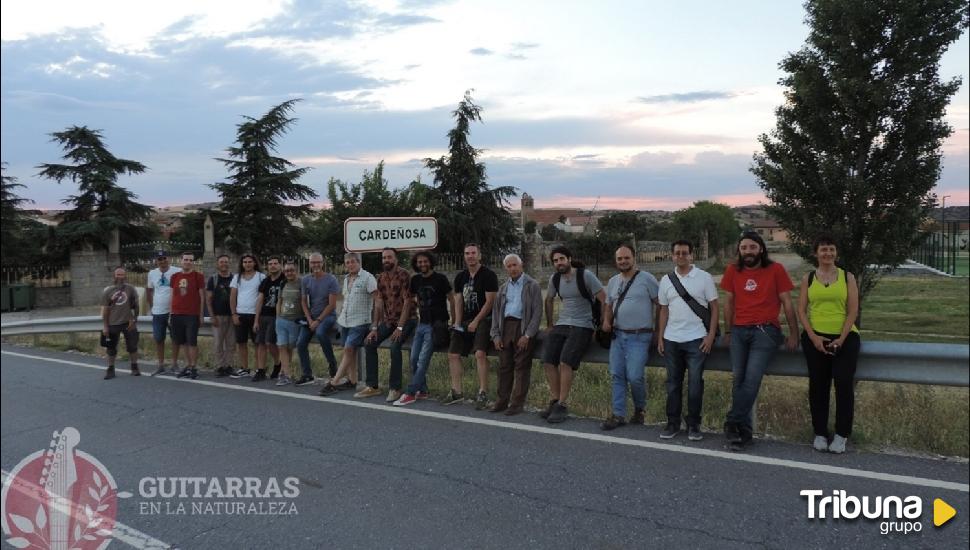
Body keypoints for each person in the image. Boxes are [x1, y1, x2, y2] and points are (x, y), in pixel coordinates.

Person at [721, 231, 798, 450]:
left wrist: (794, 333)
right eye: (744, 248)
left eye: (752, 247)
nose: (748, 252)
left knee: (752, 379)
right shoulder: (732, 271)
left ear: (761, 249)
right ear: (739, 250)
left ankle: (731, 421)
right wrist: (727, 331)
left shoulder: (776, 270)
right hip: (738, 331)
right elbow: (729, 303)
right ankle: (742, 434)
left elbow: (787, 303)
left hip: (765, 331)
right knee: (739, 380)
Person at [796, 235, 860, 454]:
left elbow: (853, 310)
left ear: (836, 253)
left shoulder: (847, 277)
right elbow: (801, 311)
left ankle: (841, 435)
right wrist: (813, 337)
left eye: (831, 249)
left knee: (843, 384)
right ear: (816, 253)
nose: (827, 253)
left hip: (845, 337)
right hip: (815, 338)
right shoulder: (809, 278)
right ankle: (820, 433)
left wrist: (841, 339)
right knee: (818, 386)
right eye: (823, 250)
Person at [657, 240, 719, 441]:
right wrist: (660, 337)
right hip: (672, 339)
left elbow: (715, 308)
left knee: (695, 385)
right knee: (673, 384)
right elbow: (663, 310)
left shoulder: (704, 278)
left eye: (685, 253)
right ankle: (672, 423)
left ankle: (694, 424)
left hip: (696, 340)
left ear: (692, 255)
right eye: (677, 253)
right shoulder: (666, 280)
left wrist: (710, 335)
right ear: (672, 256)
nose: (681, 256)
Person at [542, 246, 605, 424]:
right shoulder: (555, 278)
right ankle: (554, 400)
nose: (559, 263)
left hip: (583, 325)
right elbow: (548, 299)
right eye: (555, 260)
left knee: (565, 361)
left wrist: (601, 325)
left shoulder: (585, 276)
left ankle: (562, 404)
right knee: (547, 361)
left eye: (562, 259)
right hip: (562, 324)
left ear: (569, 259)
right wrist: (549, 324)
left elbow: (604, 299)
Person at [600, 244, 659, 430]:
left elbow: (661, 304)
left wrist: (659, 330)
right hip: (618, 336)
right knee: (617, 375)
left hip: (640, 336)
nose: (623, 261)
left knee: (634, 376)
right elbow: (609, 305)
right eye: (619, 259)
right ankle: (618, 414)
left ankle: (640, 409)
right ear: (616, 261)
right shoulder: (613, 281)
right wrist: (606, 321)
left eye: (626, 258)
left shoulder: (647, 279)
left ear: (634, 258)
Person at [393, 251, 452, 407]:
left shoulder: (441, 279)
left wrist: (453, 321)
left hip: (436, 325)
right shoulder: (416, 280)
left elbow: (452, 299)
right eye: (419, 262)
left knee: (422, 360)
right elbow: (410, 301)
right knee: (413, 359)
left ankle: (411, 392)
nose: (423, 264)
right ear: (416, 264)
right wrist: (400, 325)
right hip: (422, 324)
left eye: (425, 261)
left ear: (431, 262)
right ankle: (423, 390)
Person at [358, 248, 417, 402]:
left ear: (396, 259)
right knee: (369, 343)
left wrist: (400, 327)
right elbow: (378, 304)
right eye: (384, 258)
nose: (386, 260)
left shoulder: (404, 275)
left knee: (394, 345)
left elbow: (407, 303)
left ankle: (395, 388)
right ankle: (372, 386)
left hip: (407, 320)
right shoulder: (381, 278)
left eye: (389, 257)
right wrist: (375, 328)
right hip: (389, 321)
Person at [445, 243, 499, 408]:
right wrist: (457, 322)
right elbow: (459, 301)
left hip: (485, 319)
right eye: (467, 253)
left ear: (479, 255)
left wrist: (476, 321)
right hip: (465, 320)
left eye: (473, 253)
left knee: (480, 354)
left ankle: (482, 392)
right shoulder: (461, 277)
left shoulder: (488, 275)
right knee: (453, 354)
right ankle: (456, 391)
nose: (470, 256)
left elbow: (490, 302)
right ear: (464, 256)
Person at [488, 254, 541, 415]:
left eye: (515, 265)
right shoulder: (503, 288)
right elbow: (496, 313)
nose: (512, 268)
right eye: (509, 266)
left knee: (521, 367)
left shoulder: (532, 285)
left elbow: (537, 312)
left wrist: (528, 335)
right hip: (506, 327)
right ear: (506, 269)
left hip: (522, 327)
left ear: (521, 265)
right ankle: (502, 401)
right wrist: (495, 335)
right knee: (504, 366)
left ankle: (517, 404)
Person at [319, 252, 378, 396]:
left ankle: (334, 382)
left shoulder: (368, 278)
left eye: (353, 262)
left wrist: (375, 324)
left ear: (359, 262)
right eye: (348, 263)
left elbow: (377, 300)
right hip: (345, 321)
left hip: (361, 321)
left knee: (349, 349)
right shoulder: (345, 279)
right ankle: (352, 381)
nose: (350, 265)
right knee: (349, 351)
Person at [296, 252, 340, 386]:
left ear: (322, 263)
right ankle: (307, 374)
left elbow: (332, 304)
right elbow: (303, 302)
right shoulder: (305, 280)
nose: (315, 265)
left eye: (318, 262)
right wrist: (310, 320)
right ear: (309, 264)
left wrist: (318, 321)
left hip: (327, 316)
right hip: (311, 318)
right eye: (313, 262)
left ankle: (332, 365)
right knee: (300, 343)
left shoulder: (331, 279)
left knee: (320, 333)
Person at [169, 252, 206, 379]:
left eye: (190, 260)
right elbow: (172, 295)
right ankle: (188, 365)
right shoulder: (174, 276)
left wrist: (201, 315)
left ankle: (194, 367)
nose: (188, 262)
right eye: (186, 259)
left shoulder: (198, 276)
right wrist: (170, 313)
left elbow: (202, 297)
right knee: (183, 342)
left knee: (192, 342)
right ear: (181, 261)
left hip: (192, 314)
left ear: (193, 262)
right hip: (176, 314)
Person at [229, 254, 266, 378]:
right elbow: (232, 296)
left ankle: (258, 368)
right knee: (241, 343)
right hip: (240, 314)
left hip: (255, 315)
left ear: (255, 263)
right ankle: (244, 368)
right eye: (245, 262)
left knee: (258, 343)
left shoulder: (261, 277)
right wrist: (234, 314)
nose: (247, 264)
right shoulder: (237, 277)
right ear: (242, 264)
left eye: (250, 261)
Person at [146, 250, 181, 376]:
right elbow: (149, 290)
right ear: (157, 261)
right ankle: (160, 365)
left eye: (164, 258)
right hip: (158, 312)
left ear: (169, 259)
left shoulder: (177, 271)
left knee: (175, 338)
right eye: (159, 259)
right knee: (159, 338)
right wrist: (151, 307)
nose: (162, 261)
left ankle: (174, 364)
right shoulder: (152, 273)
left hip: (173, 311)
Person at [101, 267, 140, 379]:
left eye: (122, 275)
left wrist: (135, 319)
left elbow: (135, 306)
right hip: (113, 323)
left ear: (125, 276)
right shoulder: (108, 291)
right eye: (118, 274)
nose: (120, 277)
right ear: (114, 276)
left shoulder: (131, 289)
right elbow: (105, 310)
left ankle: (134, 367)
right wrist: (105, 327)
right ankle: (110, 369)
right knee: (111, 349)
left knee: (133, 346)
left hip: (128, 322)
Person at [253, 255, 285, 382]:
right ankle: (261, 370)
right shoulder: (265, 281)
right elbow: (260, 300)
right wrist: (256, 319)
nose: (273, 265)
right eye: (270, 263)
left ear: (280, 265)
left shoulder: (284, 280)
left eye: (275, 263)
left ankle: (278, 364)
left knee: (270, 343)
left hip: (277, 316)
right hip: (264, 315)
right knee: (260, 343)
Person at [274, 261, 305, 386]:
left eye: (291, 270)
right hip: (281, 320)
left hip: (295, 321)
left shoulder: (302, 283)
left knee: (289, 347)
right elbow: (279, 301)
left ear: (296, 271)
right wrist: (278, 316)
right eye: (286, 271)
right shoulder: (283, 283)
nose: (289, 273)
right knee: (281, 346)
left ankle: (283, 372)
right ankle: (287, 375)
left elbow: (305, 301)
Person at [206, 254, 235, 377]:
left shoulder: (234, 278)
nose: (224, 264)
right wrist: (212, 316)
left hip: (232, 315)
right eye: (221, 262)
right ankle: (220, 366)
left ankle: (228, 365)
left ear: (229, 263)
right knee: (218, 343)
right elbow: (208, 299)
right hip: (218, 315)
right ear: (218, 264)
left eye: (226, 262)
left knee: (231, 343)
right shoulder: (213, 279)